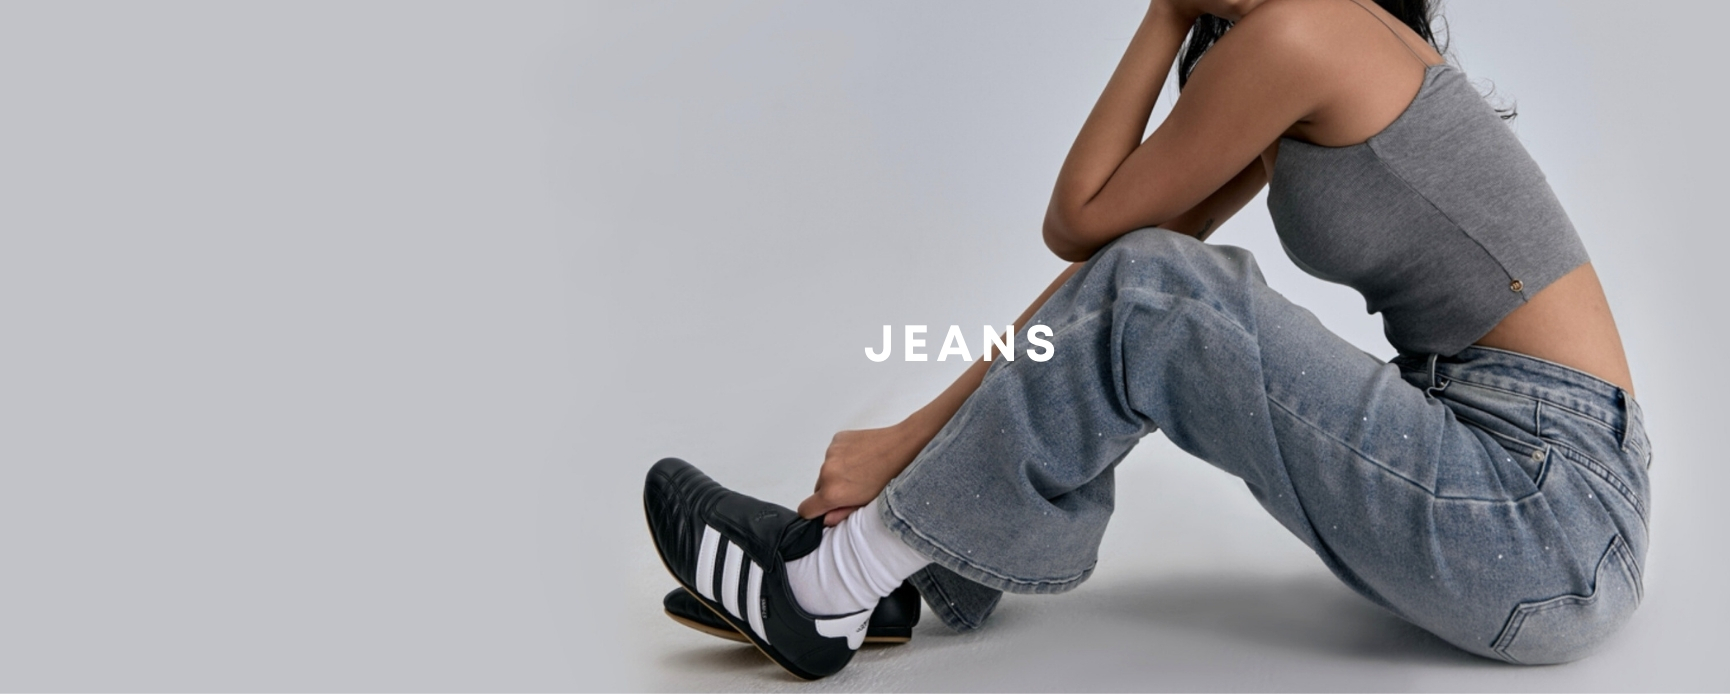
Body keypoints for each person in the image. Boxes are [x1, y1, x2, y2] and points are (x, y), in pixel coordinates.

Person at [644, 0, 1651, 679]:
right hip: (1522, 502)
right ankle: (909, 556)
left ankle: (823, 591)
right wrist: (914, 439)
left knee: (1161, 293)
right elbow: (1110, 275)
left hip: (1542, 513)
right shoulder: (1289, 47)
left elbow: (1081, 223)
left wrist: (1167, 11)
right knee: (1152, 288)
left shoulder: (1310, 31)